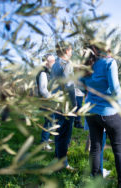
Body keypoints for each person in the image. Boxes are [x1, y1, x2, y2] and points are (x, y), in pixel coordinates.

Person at [80, 45, 121, 188]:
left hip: (91, 112)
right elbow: (115, 87)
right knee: (118, 149)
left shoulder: (85, 66)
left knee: (95, 148)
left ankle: (96, 180)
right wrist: (120, 106)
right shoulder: (109, 62)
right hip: (108, 112)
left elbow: (80, 87)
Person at [51, 41, 76, 170]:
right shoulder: (66, 64)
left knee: (59, 132)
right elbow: (69, 86)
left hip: (57, 103)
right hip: (66, 105)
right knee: (65, 134)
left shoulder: (54, 64)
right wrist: (74, 104)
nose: (72, 52)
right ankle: (62, 164)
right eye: (71, 50)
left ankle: (57, 157)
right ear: (67, 51)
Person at [36, 54, 55, 150]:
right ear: (46, 63)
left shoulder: (49, 72)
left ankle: (47, 139)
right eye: (52, 61)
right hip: (47, 102)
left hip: (49, 102)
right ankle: (44, 143)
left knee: (51, 121)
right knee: (49, 122)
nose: (54, 63)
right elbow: (43, 90)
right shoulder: (43, 73)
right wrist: (52, 98)